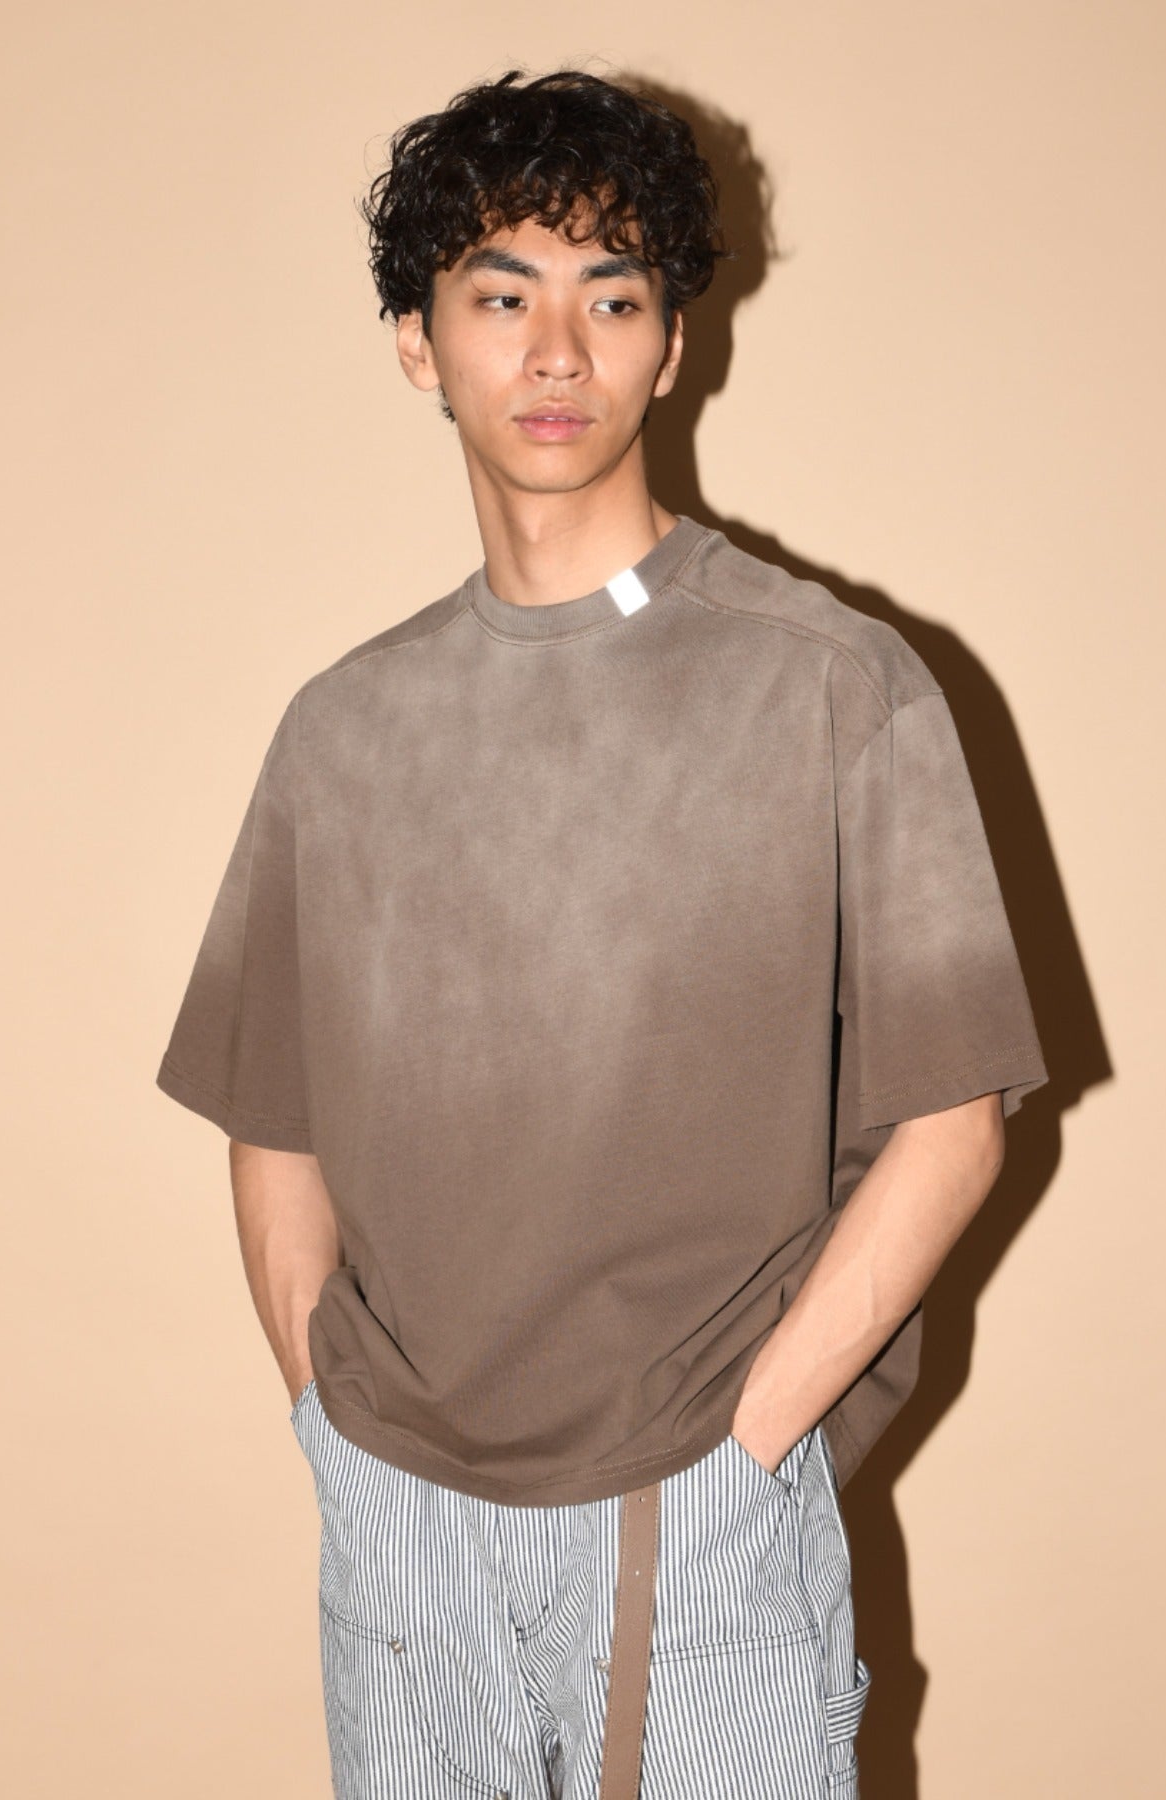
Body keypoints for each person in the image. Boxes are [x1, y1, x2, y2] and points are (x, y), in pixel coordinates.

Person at [154, 65, 1048, 1800]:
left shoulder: (835, 685)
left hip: (701, 1511)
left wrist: (747, 1450)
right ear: (420, 343)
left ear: (673, 343)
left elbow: (955, 1122)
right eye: (503, 297)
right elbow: (274, 1115)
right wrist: (329, 1425)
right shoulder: (343, 729)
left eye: (612, 298)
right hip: (403, 1527)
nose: (557, 352)